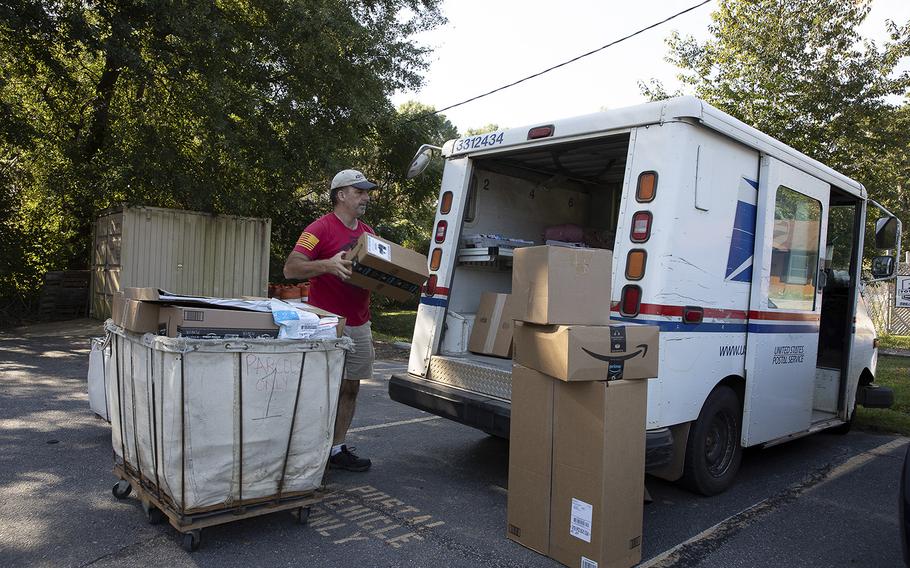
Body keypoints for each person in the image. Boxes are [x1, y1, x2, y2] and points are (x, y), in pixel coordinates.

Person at [283, 169, 378, 472]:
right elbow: (291, 268)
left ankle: (336, 449)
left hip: (359, 323)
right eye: (359, 191)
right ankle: (307, 452)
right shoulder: (319, 229)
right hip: (325, 323)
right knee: (319, 390)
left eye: (366, 192)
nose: (366, 196)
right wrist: (327, 265)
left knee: (350, 388)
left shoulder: (368, 233)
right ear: (341, 195)